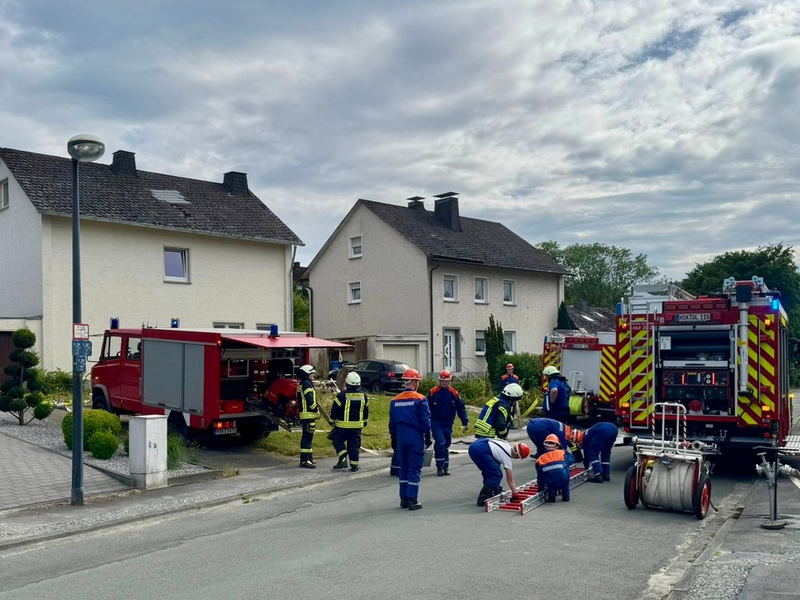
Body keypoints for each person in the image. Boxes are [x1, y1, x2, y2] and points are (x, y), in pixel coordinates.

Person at [388, 368, 431, 511]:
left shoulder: (394, 401)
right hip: (415, 437)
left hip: (401, 438)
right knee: (414, 469)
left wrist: (394, 439)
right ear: (414, 382)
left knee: (404, 468)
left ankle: (404, 499)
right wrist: (428, 437)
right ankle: (412, 499)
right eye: (417, 381)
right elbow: (425, 421)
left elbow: (392, 423)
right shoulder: (420, 399)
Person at [427, 369, 469, 476]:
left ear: (449, 381)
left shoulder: (454, 393)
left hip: (448, 423)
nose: (444, 383)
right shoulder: (433, 392)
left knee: (446, 444)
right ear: (439, 381)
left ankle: (446, 466)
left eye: (446, 381)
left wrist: (465, 422)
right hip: (436, 422)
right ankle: (439, 466)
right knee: (440, 442)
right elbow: (426, 407)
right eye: (442, 381)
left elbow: (461, 408)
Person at [469, 439, 531, 506]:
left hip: (477, 444)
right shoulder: (507, 458)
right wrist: (515, 494)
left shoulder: (506, 443)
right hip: (480, 451)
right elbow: (510, 480)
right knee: (496, 474)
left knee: (492, 468)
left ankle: (493, 488)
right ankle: (483, 498)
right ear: (518, 456)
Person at [330, 371, 370, 472]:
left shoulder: (342, 396)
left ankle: (343, 457)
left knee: (337, 440)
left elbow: (335, 409)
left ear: (347, 383)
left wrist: (331, 420)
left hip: (342, 427)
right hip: (357, 428)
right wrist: (364, 422)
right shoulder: (364, 396)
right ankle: (354, 466)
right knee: (354, 446)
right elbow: (366, 411)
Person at [536, 433, 574, 502]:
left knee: (549, 482)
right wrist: (564, 463)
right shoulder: (561, 453)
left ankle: (552, 497)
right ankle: (566, 497)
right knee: (566, 472)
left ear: (545, 445)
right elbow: (571, 459)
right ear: (557, 445)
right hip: (564, 480)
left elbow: (540, 477)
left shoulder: (540, 459)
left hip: (551, 482)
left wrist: (540, 490)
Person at [297, 364, 320, 469]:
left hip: (308, 415)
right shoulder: (307, 384)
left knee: (309, 437)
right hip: (308, 415)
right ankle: (305, 460)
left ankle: (309, 458)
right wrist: (315, 408)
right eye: (311, 373)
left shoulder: (304, 383)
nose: (313, 375)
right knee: (307, 438)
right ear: (306, 374)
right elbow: (310, 399)